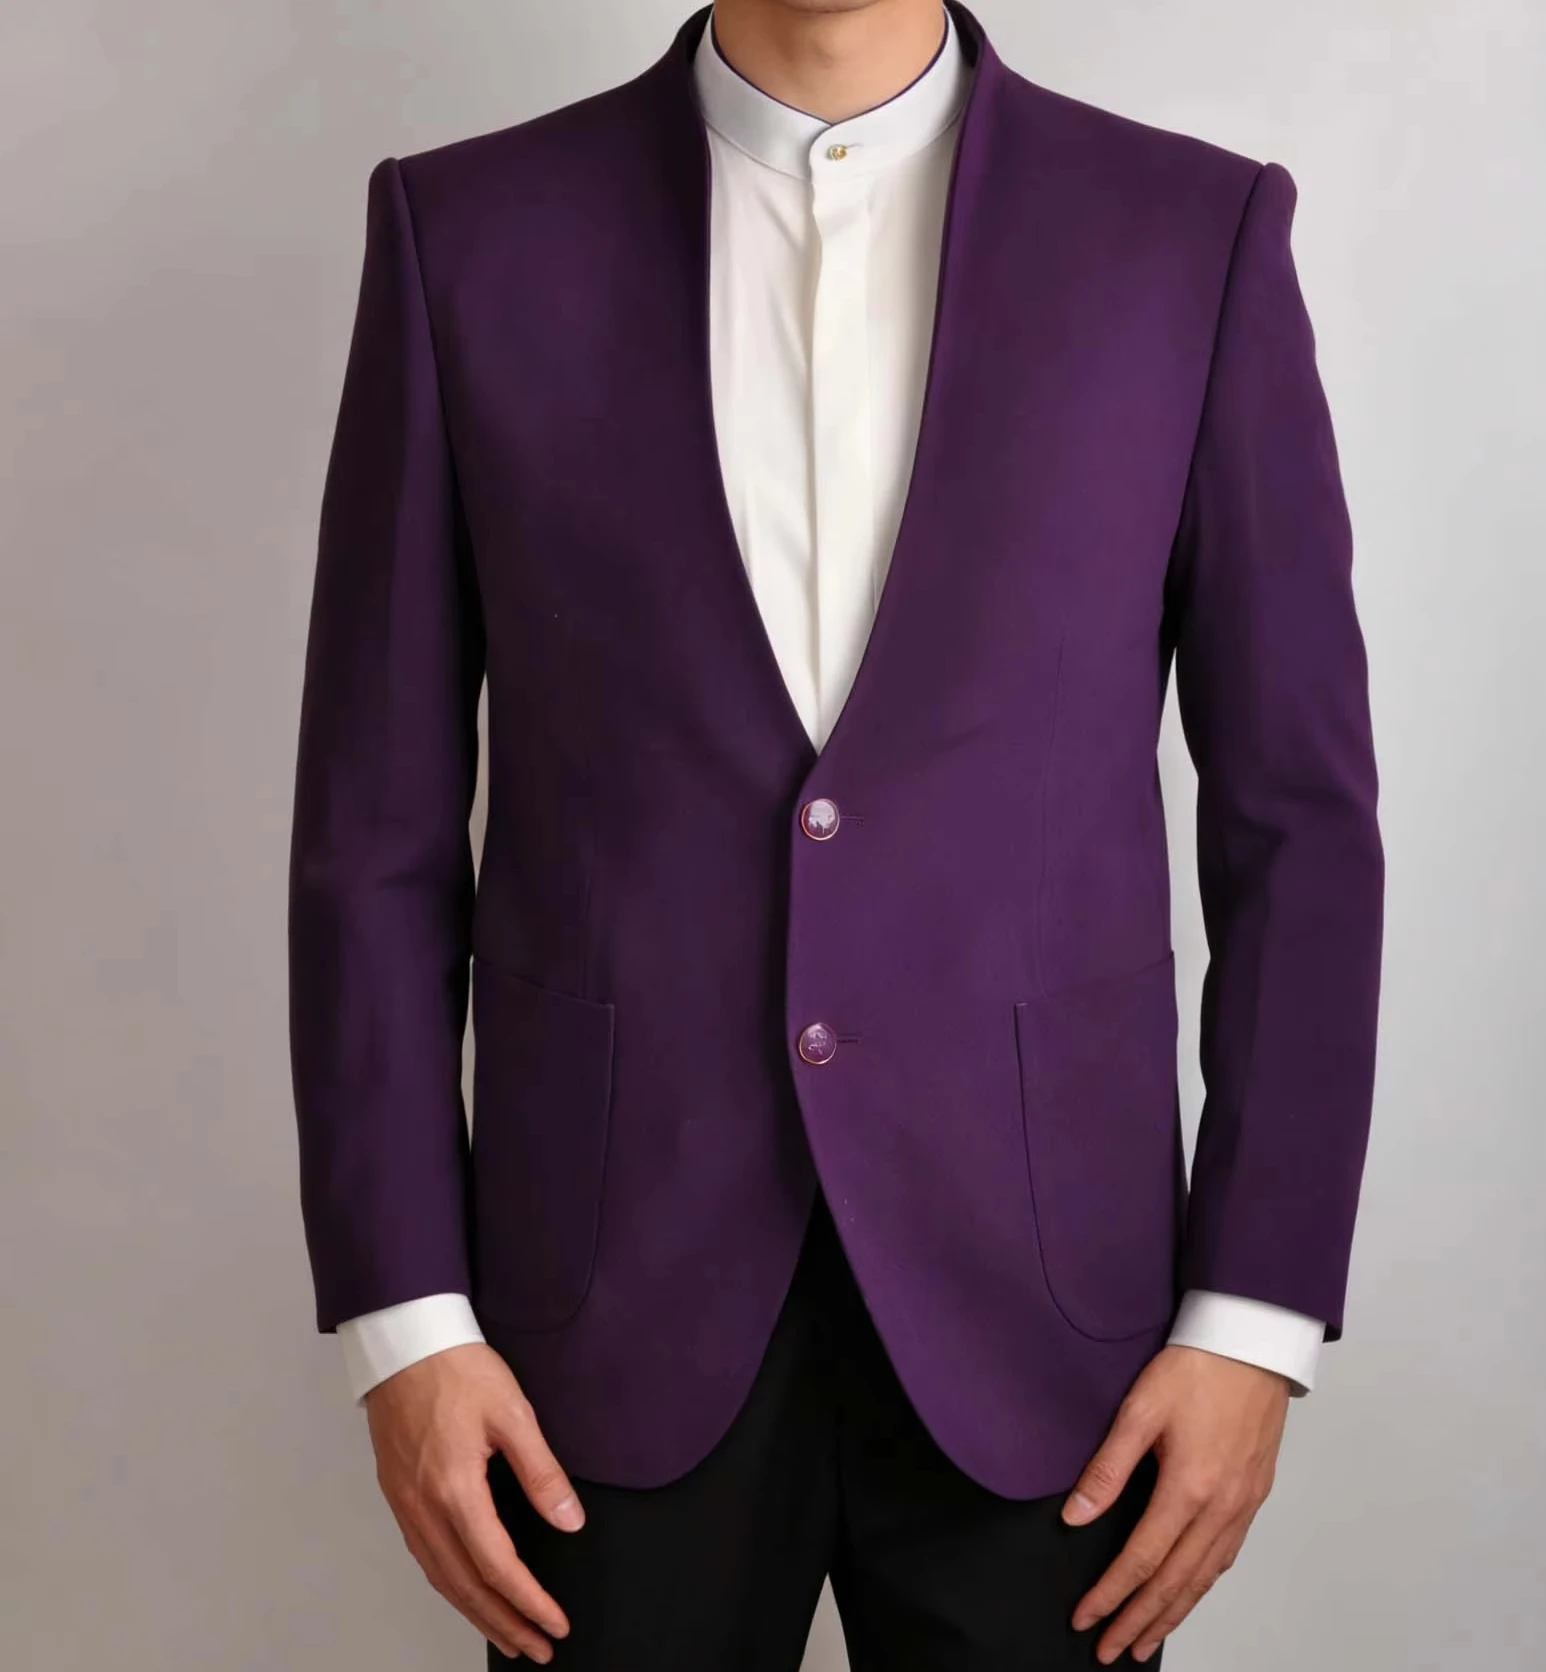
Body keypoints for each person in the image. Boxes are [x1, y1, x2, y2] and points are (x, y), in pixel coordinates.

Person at [287, 2, 1384, 1666]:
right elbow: (373, 836)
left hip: (1058, 1337)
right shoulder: (469, 232)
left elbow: (1300, 821)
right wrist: (404, 1321)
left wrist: (1255, 1317)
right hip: (600, 1323)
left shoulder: (1188, 236)